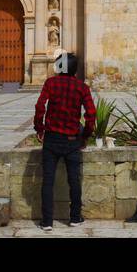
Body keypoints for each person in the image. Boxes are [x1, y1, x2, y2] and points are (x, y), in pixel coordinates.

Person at [32, 51, 96, 231]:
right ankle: (75, 217)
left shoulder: (50, 83)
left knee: (48, 181)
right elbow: (91, 114)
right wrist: (85, 136)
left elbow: (39, 106)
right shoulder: (81, 87)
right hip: (72, 140)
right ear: (75, 68)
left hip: (52, 139)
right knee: (74, 180)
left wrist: (40, 128)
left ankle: (47, 222)